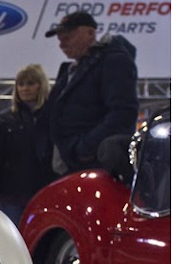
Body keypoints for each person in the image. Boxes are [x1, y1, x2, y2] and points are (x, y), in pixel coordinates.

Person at [43, 10, 138, 180]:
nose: (62, 44)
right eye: (60, 39)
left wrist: (83, 149)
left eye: (67, 37)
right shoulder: (74, 70)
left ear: (90, 33)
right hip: (73, 166)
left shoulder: (113, 61)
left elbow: (123, 114)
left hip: (94, 167)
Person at [0, 64, 55, 226]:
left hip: (44, 191)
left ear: (41, 86)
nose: (24, 88)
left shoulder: (52, 117)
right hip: (11, 195)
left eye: (30, 83)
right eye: (21, 84)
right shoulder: (5, 119)